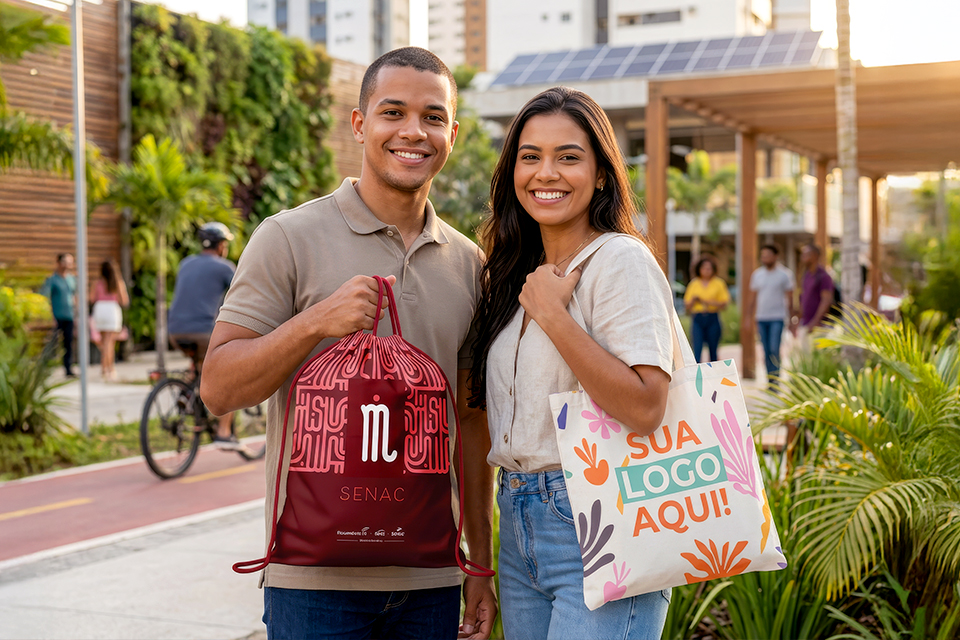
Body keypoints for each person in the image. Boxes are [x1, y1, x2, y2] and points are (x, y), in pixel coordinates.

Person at [199, 48, 496, 640]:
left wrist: (479, 564)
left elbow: (469, 422)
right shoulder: (287, 237)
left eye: (433, 117)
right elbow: (219, 389)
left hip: (430, 582)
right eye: (393, 112)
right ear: (360, 123)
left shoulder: (470, 264)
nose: (414, 132)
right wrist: (314, 323)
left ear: (453, 134)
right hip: (315, 583)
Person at [469, 86, 674, 640]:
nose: (546, 172)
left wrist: (556, 319)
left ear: (602, 174)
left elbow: (646, 405)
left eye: (568, 156)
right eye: (530, 156)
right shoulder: (512, 274)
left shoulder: (619, 260)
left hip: (598, 514)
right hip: (516, 522)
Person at [168, 221, 237, 449]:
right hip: (203, 331)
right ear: (221, 246)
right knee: (233, 375)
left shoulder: (185, 263)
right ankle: (224, 433)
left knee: (199, 363)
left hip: (175, 331)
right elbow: (242, 296)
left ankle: (187, 394)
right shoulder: (225, 267)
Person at [747, 245, 794, 383]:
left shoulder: (785, 274)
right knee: (766, 350)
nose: (764, 258)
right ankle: (770, 379)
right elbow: (752, 298)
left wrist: (792, 319)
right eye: (763, 255)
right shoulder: (757, 275)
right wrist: (748, 317)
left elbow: (790, 298)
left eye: (767, 255)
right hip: (761, 318)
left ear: (775, 256)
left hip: (778, 317)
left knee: (774, 348)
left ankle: (776, 378)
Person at [683, 256, 730, 363]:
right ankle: (697, 375)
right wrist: (695, 300)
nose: (706, 271)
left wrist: (705, 301)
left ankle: (712, 375)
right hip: (698, 318)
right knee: (697, 348)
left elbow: (724, 303)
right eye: (704, 268)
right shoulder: (694, 283)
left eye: (709, 268)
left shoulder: (718, 283)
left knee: (713, 350)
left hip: (712, 317)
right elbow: (687, 305)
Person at [90, 260, 129, 382]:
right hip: (112, 309)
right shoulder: (117, 283)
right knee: (109, 342)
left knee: (104, 341)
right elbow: (125, 301)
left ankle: (104, 368)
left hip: (100, 309)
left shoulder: (97, 283)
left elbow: (91, 298)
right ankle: (110, 369)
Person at [40, 253, 78, 377]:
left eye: (70, 262)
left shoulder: (72, 279)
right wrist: (50, 317)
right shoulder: (52, 280)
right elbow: (45, 297)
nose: (68, 265)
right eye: (65, 262)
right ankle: (44, 368)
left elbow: (74, 296)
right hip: (57, 316)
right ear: (59, 263)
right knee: (52, 344)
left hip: (69, 316)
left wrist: (77, 313)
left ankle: (68, 369)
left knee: (68, 343)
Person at [795, 242, 835, 345]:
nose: (802, 257)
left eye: (806, 254)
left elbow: (826, 301)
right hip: (806, 323)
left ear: (814, 256)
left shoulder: (823, 276)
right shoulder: (807, 275)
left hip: (820, 326)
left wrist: (815, 322)